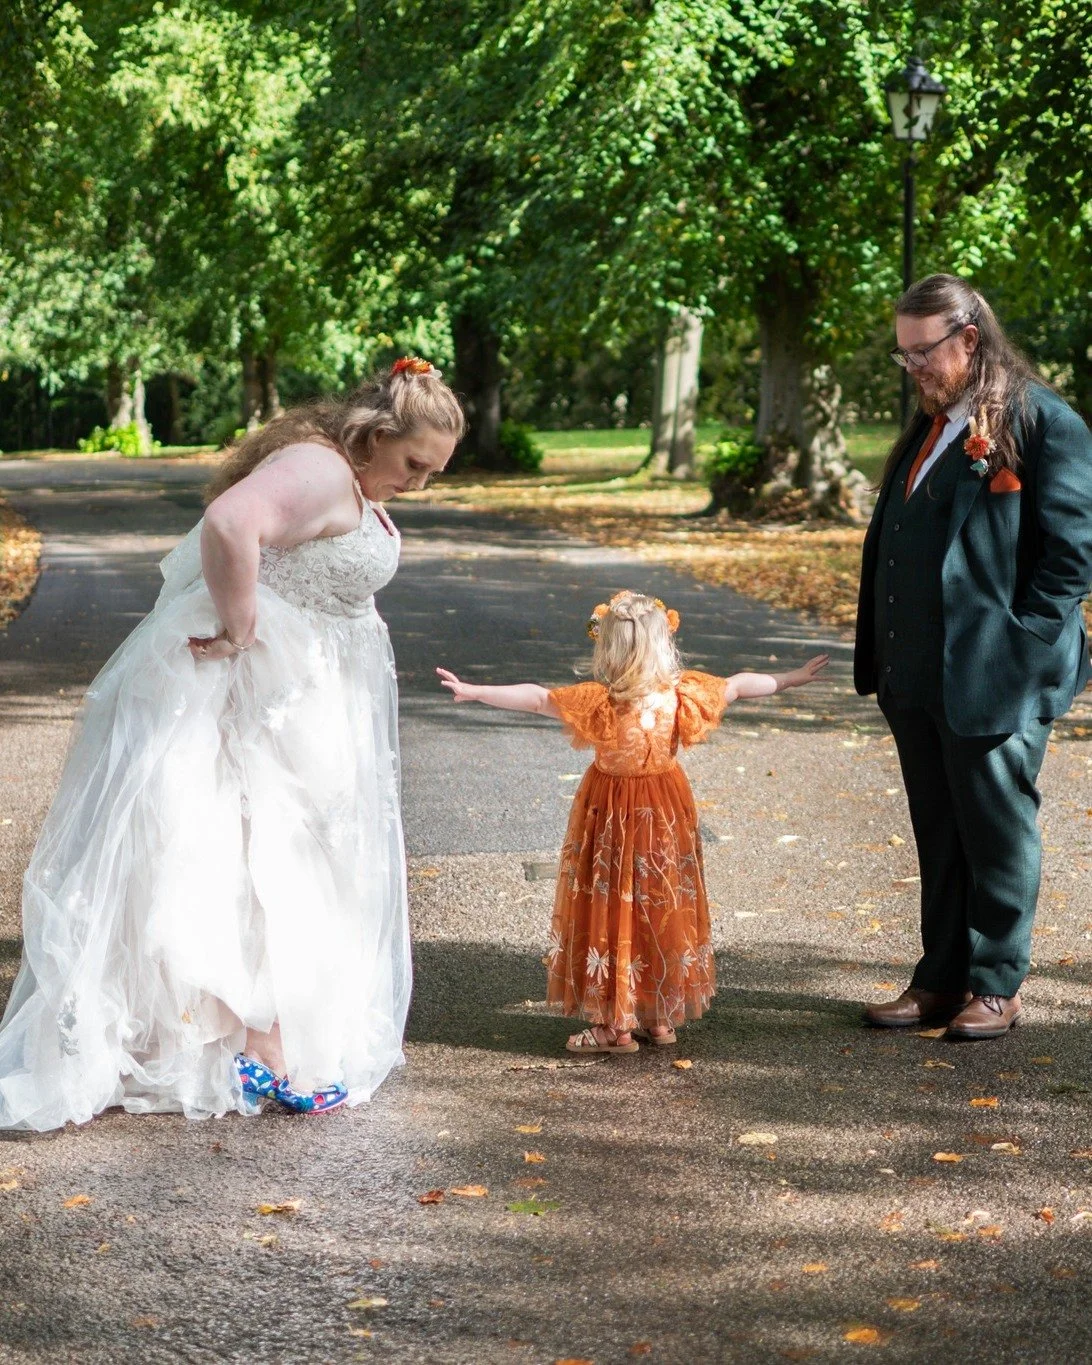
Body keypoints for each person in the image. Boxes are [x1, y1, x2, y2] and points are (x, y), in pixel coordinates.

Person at [0, 358, 465, 1129]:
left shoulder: (341, 478)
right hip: (259, 699)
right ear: (376, 434)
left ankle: (261, 1037)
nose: (419, 484)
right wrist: (244, 624)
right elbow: (229, 523)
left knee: (284, 859)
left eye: (434, 472)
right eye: (413, 463)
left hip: (302, 699)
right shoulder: (320, 469)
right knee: (253, 856)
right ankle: (256, 1042)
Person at [856, 274, 1092, 1040]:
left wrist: (1021, 642)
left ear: (969, 337)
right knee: (940, 827)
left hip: (999, 674)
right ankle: (939, 977)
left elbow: (1073, 556)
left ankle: (996, 984)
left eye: (924, 352)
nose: (914, 367)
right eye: (903, 355)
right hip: (918, 674)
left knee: (996, 828)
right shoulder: (930, 426)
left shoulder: (1044, 423)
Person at [437, 592, 827, 1052]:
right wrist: (790, 678)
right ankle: (658, 1018)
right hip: (664, 810)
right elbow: (741, 684)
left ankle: (613, 1028)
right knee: (659, 901)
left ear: (609, 648)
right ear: (664, 643)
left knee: (612, 906)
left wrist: (476, 691)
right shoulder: (682, 693)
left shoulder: (599, 702)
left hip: (611, 815)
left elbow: (538, 698)